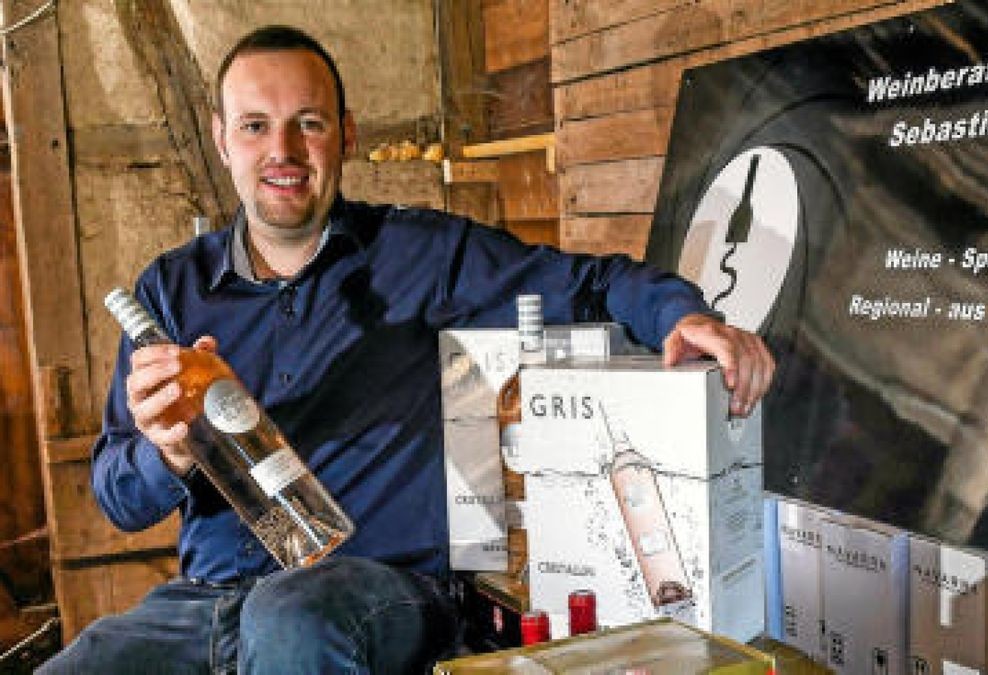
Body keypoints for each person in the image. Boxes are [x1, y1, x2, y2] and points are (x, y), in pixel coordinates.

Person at [39, 24, 774, 674]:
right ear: (222, 138)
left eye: (309, 124)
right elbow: (117, 494)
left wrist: (684, 314)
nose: (283, 152)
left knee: (290, 619)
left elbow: (593, 280)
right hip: (207, 607)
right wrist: (167, 452)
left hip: (377, 592)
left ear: (347, 135)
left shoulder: (420, 252)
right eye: (256, 126)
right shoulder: (170, 291)